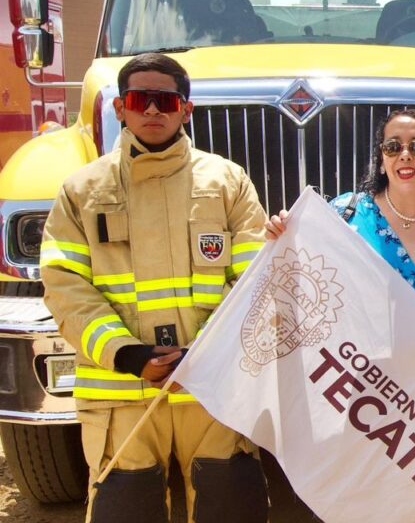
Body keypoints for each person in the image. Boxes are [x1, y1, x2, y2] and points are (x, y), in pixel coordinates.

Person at [40, 53, 269, 521]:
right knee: (127, 508)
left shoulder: (228, 183)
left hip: (211, 389)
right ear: (121, 108)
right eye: (140, 100)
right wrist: (126, 355)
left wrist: (204, 354)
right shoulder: (81, 191)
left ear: (186, 109)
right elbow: (66, 287)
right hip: (121, 392)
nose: (152, 111)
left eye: (164, 100)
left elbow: (255, 280)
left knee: (230, 505)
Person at [265, 109, 415, 523]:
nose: (406, 155)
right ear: (381, 159)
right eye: (393, 146)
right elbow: (304, 279)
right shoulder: (344, 214)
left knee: (413, 500)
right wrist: (281, 237)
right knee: (345, 494)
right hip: (351, 382)